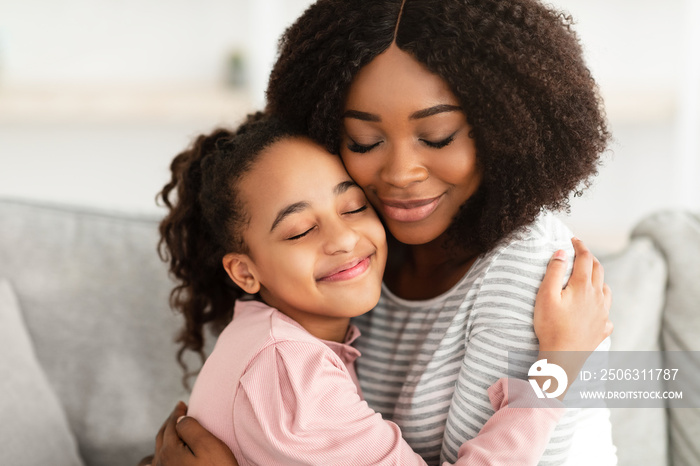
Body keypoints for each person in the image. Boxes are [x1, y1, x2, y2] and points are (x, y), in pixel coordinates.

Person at [141, 0, 616, 464]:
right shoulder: (354, 269)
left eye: (436, 137)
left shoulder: (533, 273)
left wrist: (563, 365)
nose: (401, 174)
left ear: (501, 127)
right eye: (364, 142)